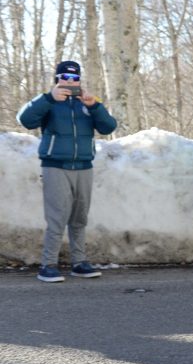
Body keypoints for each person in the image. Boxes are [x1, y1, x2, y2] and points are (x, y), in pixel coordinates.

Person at [16, 60, 118, 283]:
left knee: (79, 217)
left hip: (84, 166)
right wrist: (49, 98)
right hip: (55, 166)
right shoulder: (49, 101)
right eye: (66, 78)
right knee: (57, 217)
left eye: (75, 78)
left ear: (79, 80)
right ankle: (48, 265)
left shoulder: (87, 103)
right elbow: (25, 120)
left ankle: (79, 263)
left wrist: (94, 106)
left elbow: (108, 127)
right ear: (57, 79)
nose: (70, 82)